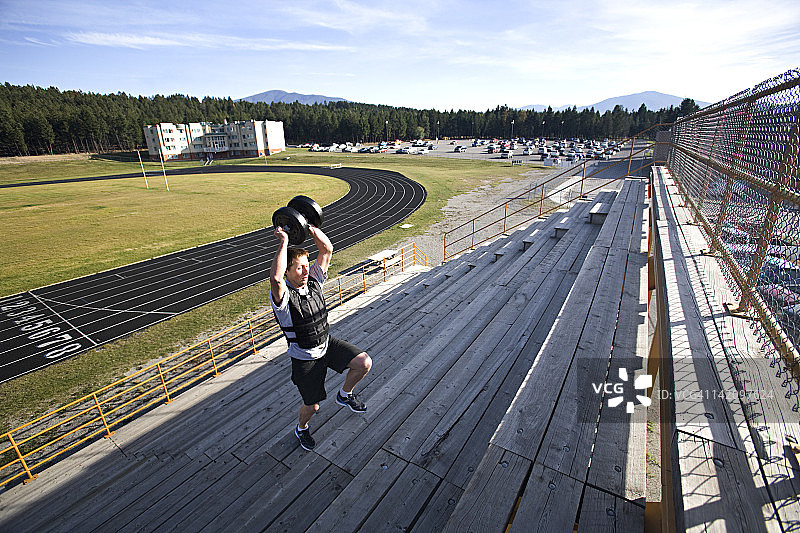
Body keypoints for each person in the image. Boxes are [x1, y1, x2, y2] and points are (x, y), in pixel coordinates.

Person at [270, 224, 372, 451]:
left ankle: (345, 395)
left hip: (326, 345)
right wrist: (284, 241)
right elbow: (276, 280)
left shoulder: (314, 281)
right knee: (312, 407)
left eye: (306, 266)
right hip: (305, 358)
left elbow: (326, 249)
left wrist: (308, 226)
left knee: (363, 363)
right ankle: (302, 428)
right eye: (298, 269)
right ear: (287, 271)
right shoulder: (284, 298)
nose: (306, 272)